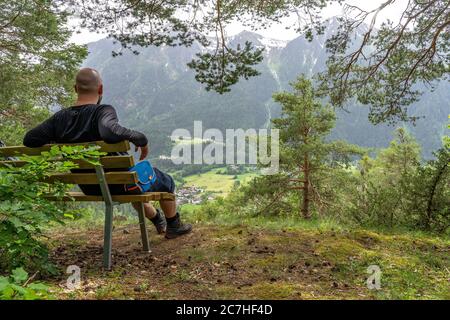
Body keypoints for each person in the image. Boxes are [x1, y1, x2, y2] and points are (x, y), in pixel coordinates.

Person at [23, 68, 192, 239]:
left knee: (132, 185)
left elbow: (29, 139)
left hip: (89, 187)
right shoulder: (102, 110)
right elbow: (109, 131)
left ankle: (157, 219)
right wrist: (140, 138)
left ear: (75, 89)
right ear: (101, 89)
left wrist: (55, 139)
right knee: (165, 181)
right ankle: (174, 225)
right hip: (121, 184)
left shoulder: (59, 118)